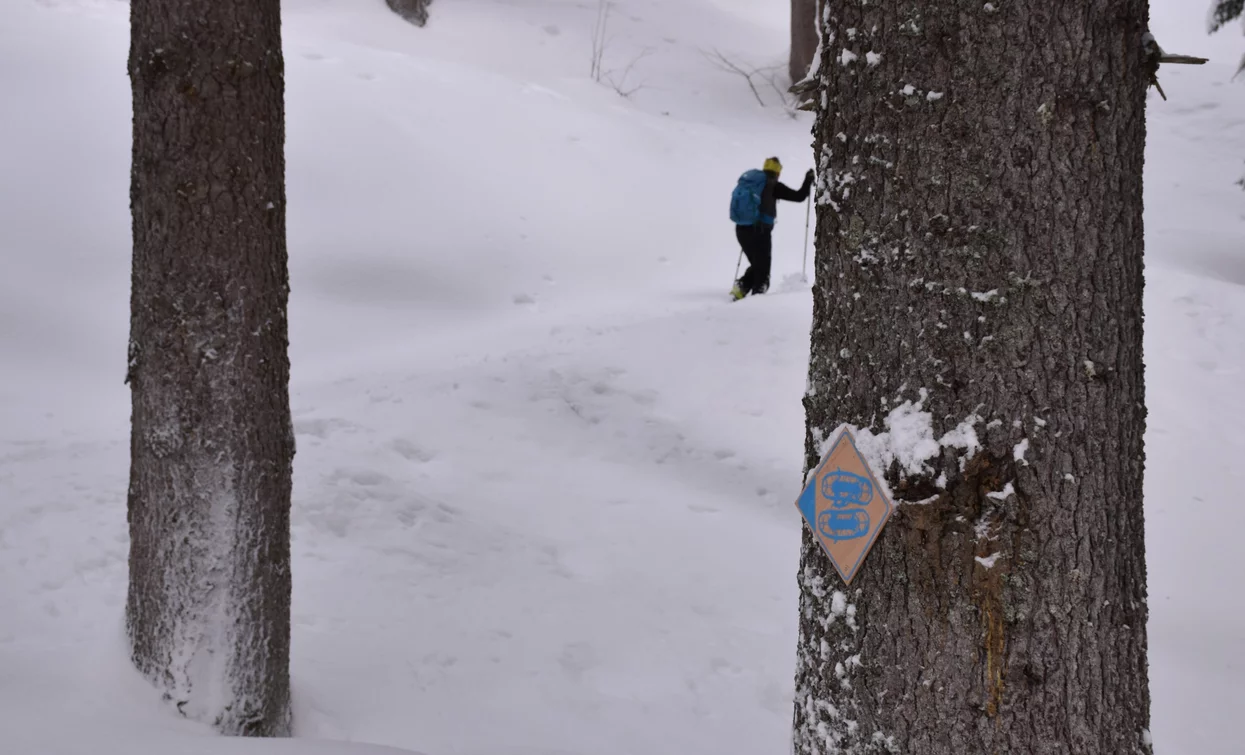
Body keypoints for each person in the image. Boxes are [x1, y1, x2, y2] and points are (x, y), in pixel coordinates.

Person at [732, 157, 813, 300]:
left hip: (741, 230)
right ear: (777, 172)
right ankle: (756, 299)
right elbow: (799, 196)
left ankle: (741, 287)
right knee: (762, 269)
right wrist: (808, 180)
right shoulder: (772, 186)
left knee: (757, 264)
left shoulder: (752, 183)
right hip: (760, 232)